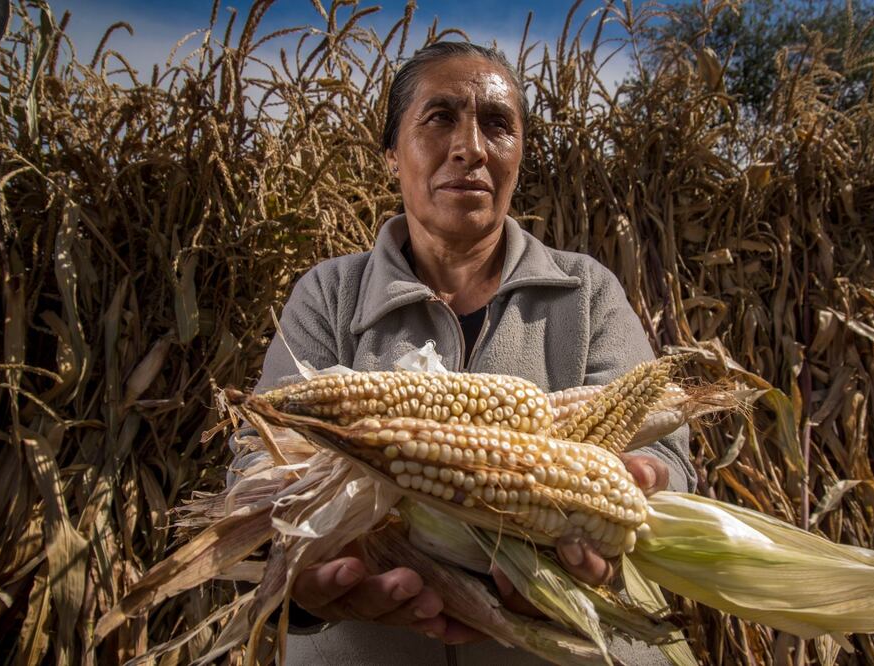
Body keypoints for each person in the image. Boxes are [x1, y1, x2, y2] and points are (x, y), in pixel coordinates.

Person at [239, 41, 696, 665]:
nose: (471, 148)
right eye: (440, 118)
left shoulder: (586, 292)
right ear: (392, 155)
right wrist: (311, 583)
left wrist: (632, 501)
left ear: (518, 155)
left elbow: (661, 453)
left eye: (497, 125)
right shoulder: (328, 293)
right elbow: (263, 469)